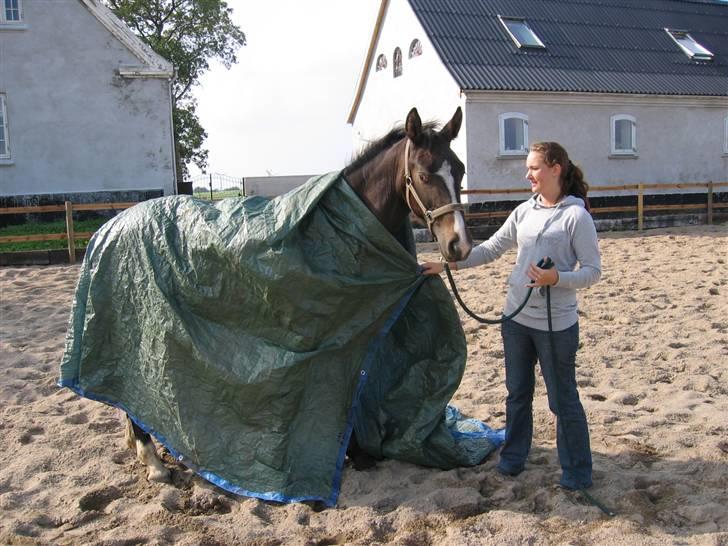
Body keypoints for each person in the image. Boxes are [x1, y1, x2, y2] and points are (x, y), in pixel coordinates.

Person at [421, 141, 601, 490]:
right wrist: (447, 265)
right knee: (517, 393)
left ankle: (577, 472)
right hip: (516, 320)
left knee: (562, 400)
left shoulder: (576, 217)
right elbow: (490, 249)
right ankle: (514, 458)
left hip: (556, 325)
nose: (528, 174)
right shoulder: (524, 212)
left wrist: (557, 279)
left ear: (555, 169)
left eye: (534, 168)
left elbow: (593, 271)